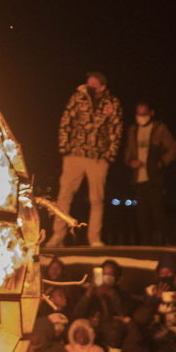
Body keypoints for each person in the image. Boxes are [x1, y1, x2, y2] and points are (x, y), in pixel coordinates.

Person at [50, 72, 124, 246]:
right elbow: (65, 121)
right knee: (64, 196)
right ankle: (58, 235)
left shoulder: (112, 103)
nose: (89, 85)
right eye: (88, 82)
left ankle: (94, 238)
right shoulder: (78, 98)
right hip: (74, 155)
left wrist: (109, 155)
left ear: (102, 87)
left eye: (93, 83)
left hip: (98, 158)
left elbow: (116, 128)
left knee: (96, 199)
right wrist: (64, 148)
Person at [123, 102, 176, 246]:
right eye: (138, 114)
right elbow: (128, 152)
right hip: (139, 179)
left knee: (158, 213)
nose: (141, 117)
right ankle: (146, 246)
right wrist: (131, 161)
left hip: (154, 178)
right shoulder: (133, 130)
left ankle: (170, 242)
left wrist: (161, 162)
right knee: (142, 216)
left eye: (144, 114)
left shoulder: (159, 129)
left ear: (151, 113)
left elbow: (173, 147)